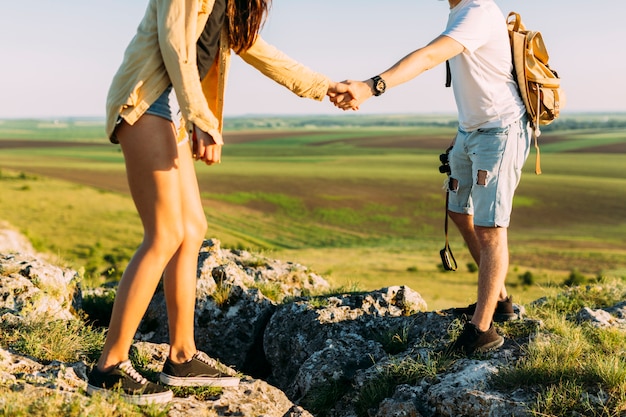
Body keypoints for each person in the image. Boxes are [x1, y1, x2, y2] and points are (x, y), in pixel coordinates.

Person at [87, 0, 341, 405]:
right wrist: (202, 118)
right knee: (165, 233)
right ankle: (109, 367)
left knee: (192, 231)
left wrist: (323, 86)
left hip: (171, 114)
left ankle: (182, 356)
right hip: (144, 102)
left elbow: (258, 49)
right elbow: (176, 45)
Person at [331, 0, 530, 355]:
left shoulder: (478, 10)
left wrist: (370, 86)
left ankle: (482, 330)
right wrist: (462, 136)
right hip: (471, 133)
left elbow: (426, 57)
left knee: (490, 229)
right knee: (458, 212)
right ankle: (500, 302)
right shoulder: (459, 13)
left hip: (500, 131)